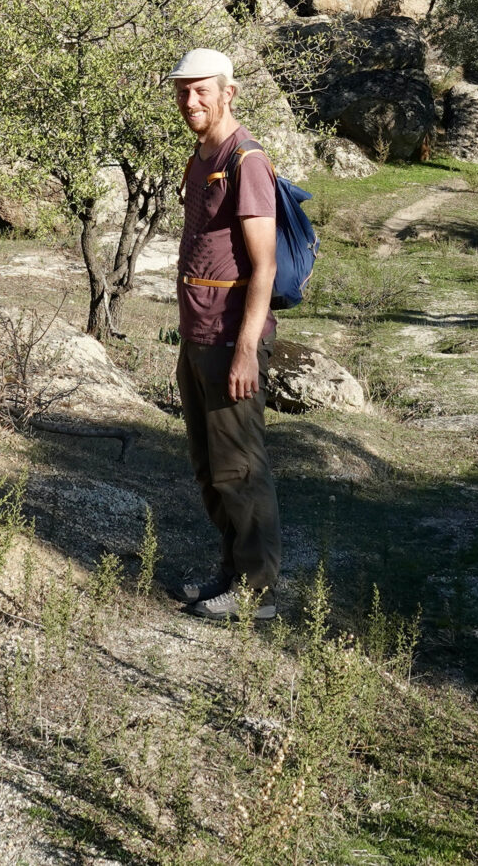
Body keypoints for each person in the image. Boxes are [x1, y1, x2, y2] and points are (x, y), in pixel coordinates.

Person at [166, 46, 282, 622]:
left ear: (228, 92)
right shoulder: (201, 153)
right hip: (198, 334)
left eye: (202, 89)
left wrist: (244, 353)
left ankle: (257, 592)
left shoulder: (246, 159)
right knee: (208, 465)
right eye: (183, 90)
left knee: (239, 465)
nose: (191, 100)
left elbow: (264, 267)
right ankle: (230, 572)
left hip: (231, 337)